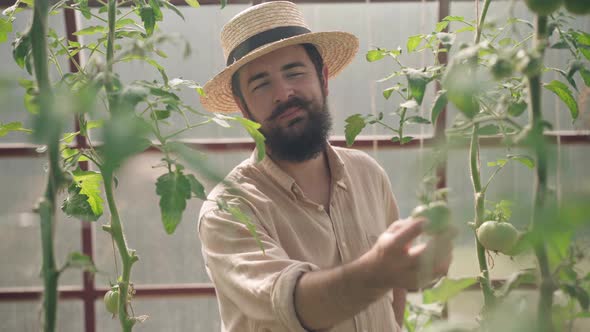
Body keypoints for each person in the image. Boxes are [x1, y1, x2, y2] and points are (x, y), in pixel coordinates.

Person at [197, 2, 455, 331]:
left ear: (323, 79)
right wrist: (379, 272)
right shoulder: (229, 208)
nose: (283, 93)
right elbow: (291, 304)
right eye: (261, 84)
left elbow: (395, 294)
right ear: (243, 108)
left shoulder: (368, 174)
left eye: (294, 72)